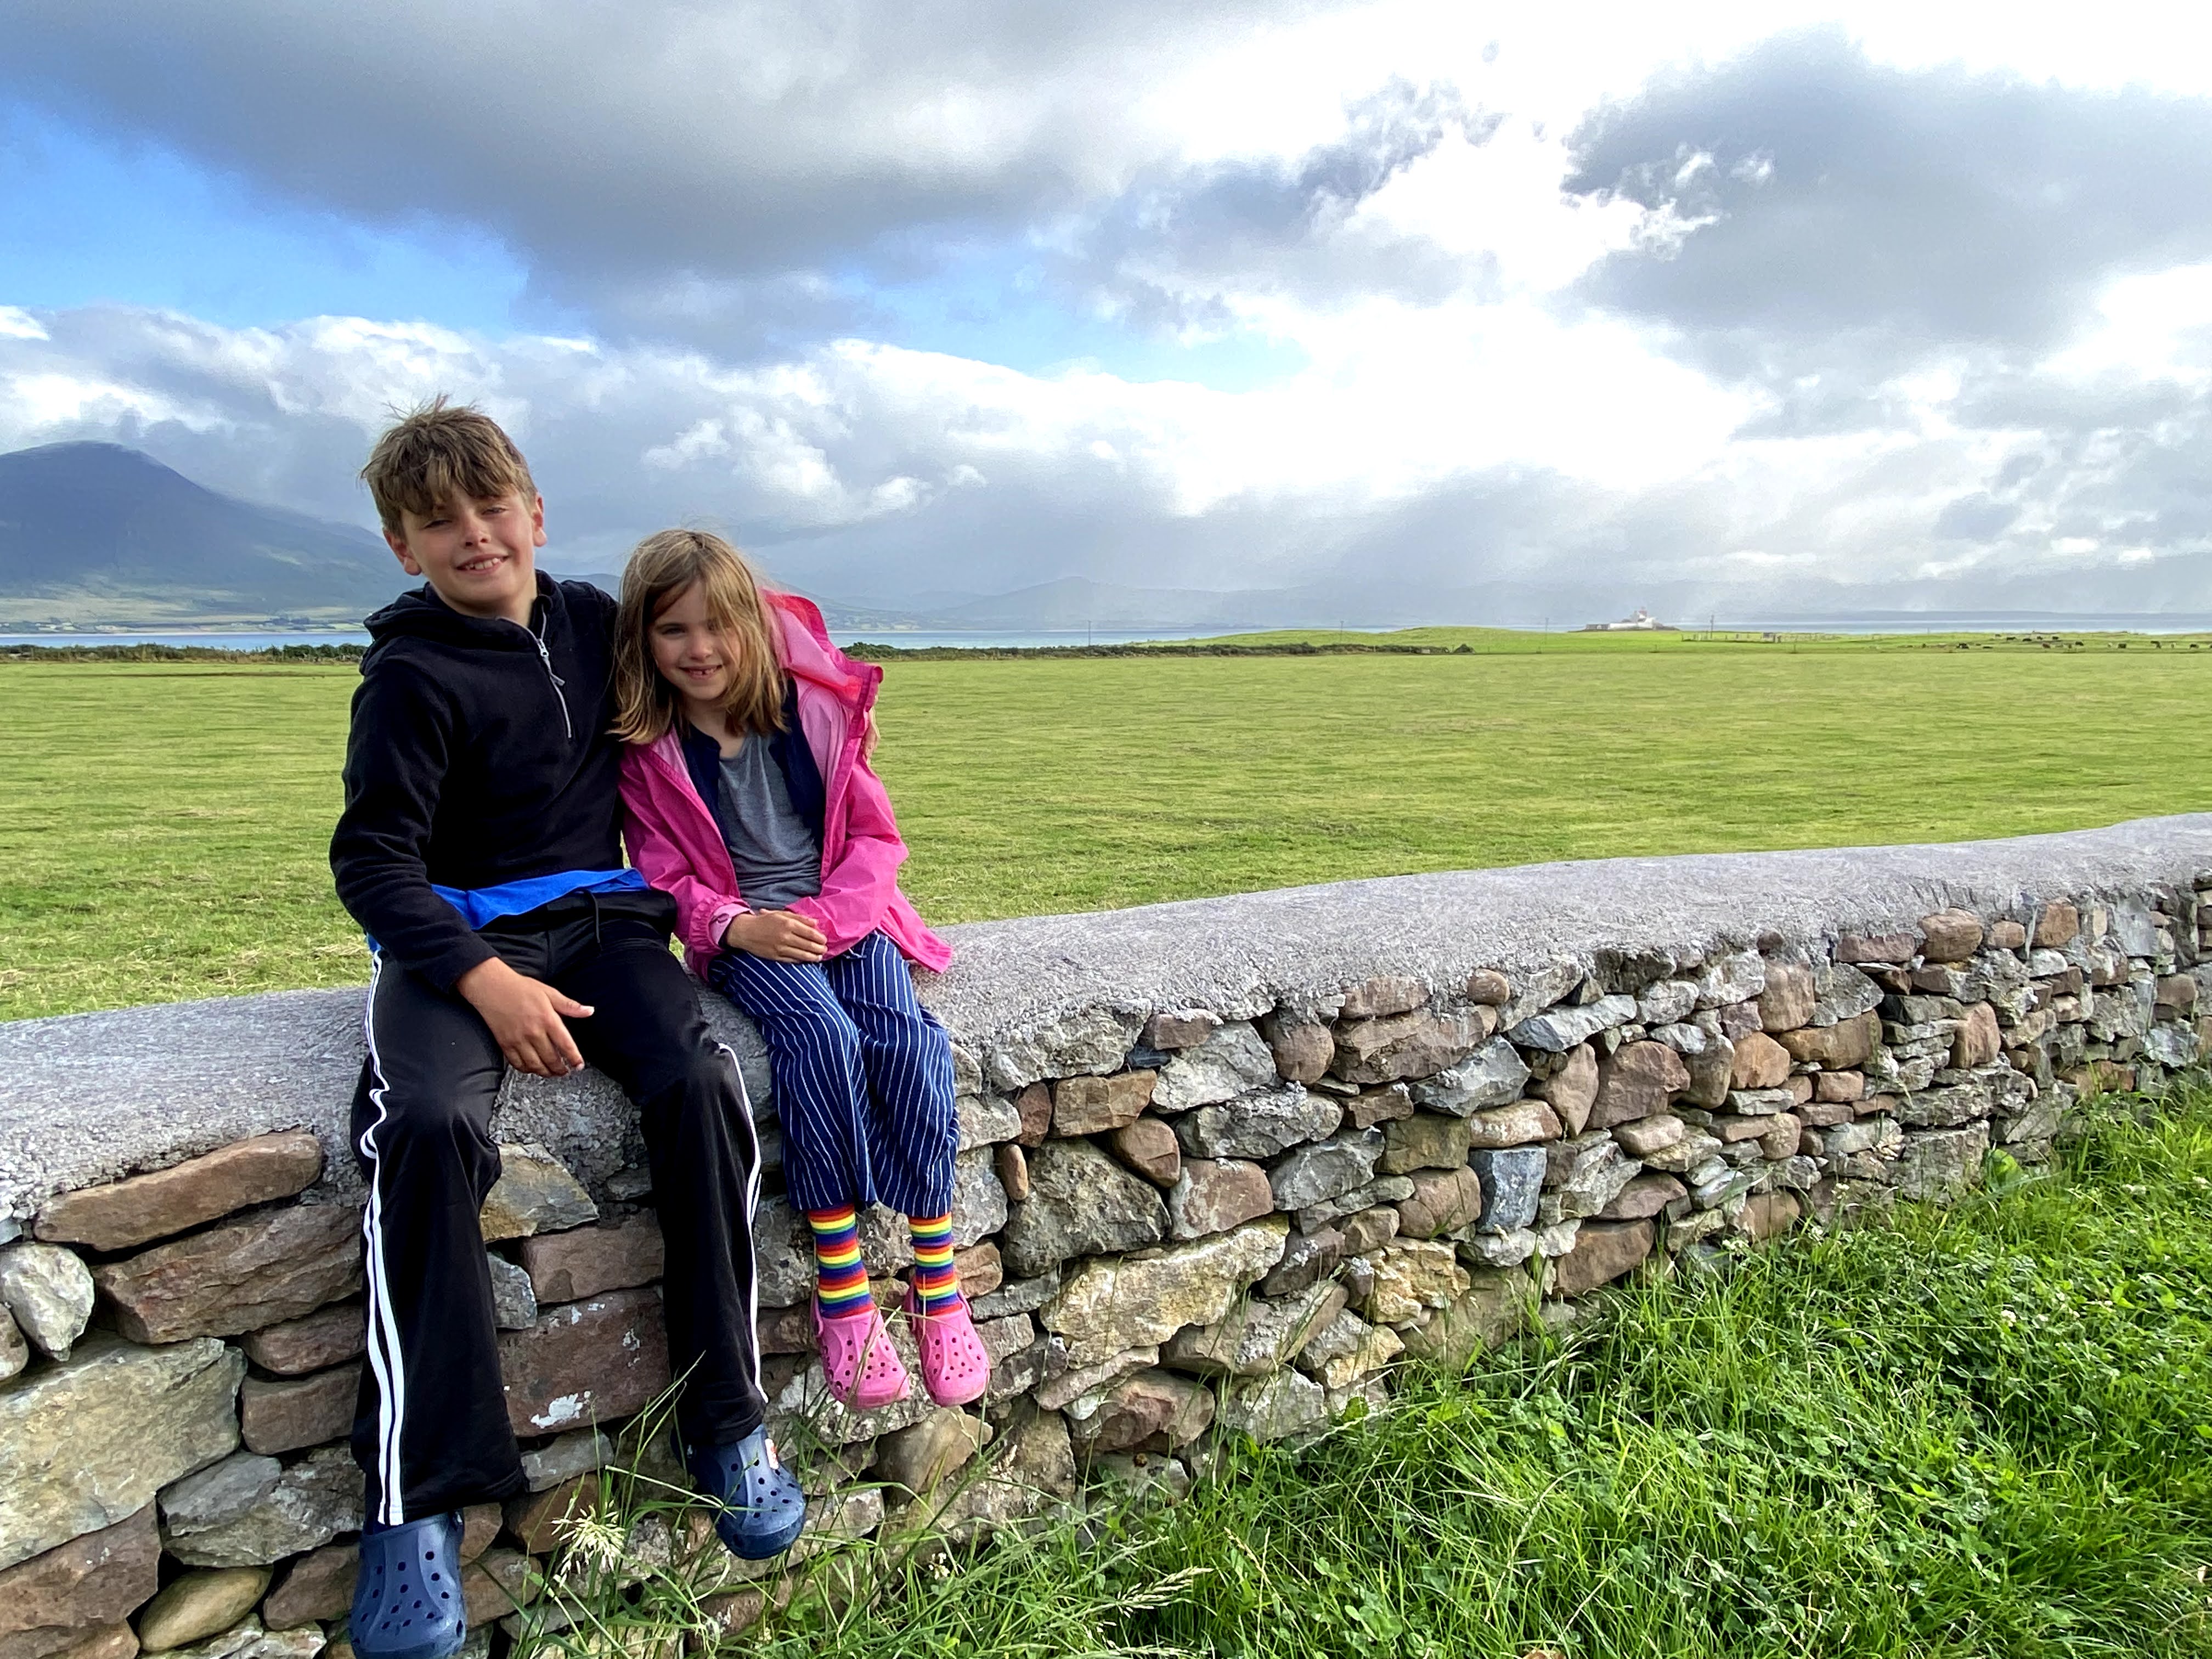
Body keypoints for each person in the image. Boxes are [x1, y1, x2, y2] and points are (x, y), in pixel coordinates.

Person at [330, 404, 804, 1659]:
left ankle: (729, 1420)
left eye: (495, 508)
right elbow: (373, 864)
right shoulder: (408, 678)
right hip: (455, 946)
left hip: (604, 925)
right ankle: (412, 1501)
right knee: (424, 1126)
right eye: (440, 521)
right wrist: (484, 981)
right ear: (404, 547)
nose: (475, 534)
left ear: (536, 514)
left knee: (701, 1082)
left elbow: (739, 642)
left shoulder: (597, 625)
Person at [611, 528, 989, 1415]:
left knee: (908, 1041)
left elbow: (876, 840)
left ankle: (935, 1278)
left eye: (718, 625)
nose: (700, 649)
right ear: (644, 641)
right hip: (748, 934)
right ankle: (843, 1284)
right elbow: (661, 873)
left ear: (754, 625)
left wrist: (829, 919)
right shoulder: (649, 750)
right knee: (818, 1035)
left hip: (848, 919)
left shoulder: (815, 715)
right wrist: (736, 926)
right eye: (674, 630)